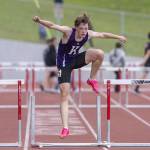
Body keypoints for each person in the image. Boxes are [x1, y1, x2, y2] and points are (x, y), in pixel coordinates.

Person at [32, 13, 127, 138]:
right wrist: (39, 21)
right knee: (64, 93)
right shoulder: (68, 32)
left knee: (99, 53)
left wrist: (118, 37)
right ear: (76, 28)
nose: (84, 31)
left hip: (75, 59)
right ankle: (65, 128)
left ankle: (91, 79)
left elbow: (103, 34)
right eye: (81, 29)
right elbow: (52, 26)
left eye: (86, 28)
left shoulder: (88, 34)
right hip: (64, 64)